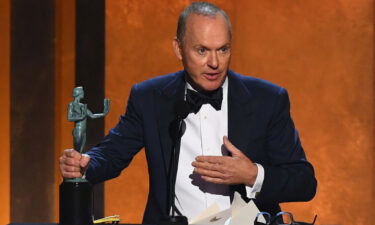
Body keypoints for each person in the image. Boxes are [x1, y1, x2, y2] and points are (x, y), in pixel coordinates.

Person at [59, 2, 317, 224]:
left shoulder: (268, 99)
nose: (214, 63)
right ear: (179, 48)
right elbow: (113, 153)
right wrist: (84, 164)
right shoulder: (150, 97)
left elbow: (304, 182)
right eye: (202, 50)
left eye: (223, 49)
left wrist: (253, 175)